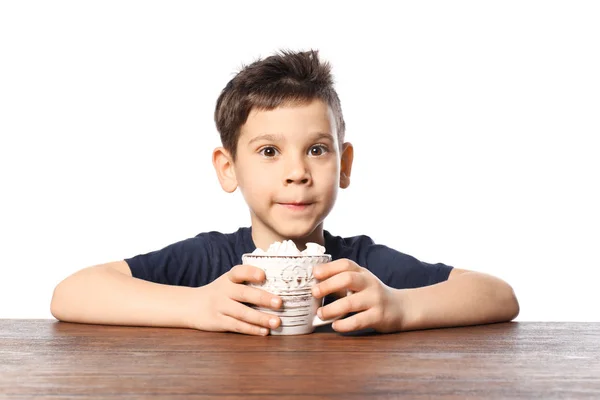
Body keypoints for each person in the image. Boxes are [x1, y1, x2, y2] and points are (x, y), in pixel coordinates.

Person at [51, 49, 519, 336]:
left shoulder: (360, 270)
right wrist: (194, 306)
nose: (297, 172)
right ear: (228, 168)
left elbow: (498, 296)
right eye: (270, 151)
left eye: (317, 149)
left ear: (345, 164)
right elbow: (71, 294)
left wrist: (399, 306)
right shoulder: (210, 264)